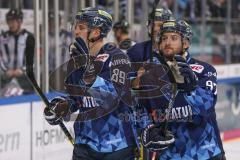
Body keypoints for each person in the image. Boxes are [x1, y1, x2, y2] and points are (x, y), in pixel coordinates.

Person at [43, 7, 168, 160]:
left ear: (96, 32)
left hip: (116, 146)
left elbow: (115, 98)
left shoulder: (117, 58)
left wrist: (91, 78)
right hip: (84, 145)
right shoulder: (76, 60)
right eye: (75, 27)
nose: (76, 32)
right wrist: (63, 106)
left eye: (81, 27)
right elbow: (76, 98)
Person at [154, 20, 226, 159]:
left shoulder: (204, 70)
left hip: (204, 153)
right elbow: (143, 111)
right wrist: (147, 128)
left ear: (185, 43)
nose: (167, 42)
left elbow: (206, 107)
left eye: (174, 38)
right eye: (164, 38)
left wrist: (190, 88)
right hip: (169, 155)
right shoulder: (152, 75)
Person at [0, 8, 34, 96]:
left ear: (20, 21)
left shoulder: (29, 37)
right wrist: (6, 70)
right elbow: (0, 57)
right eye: (10, 21)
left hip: (24, 78)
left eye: (14, 21)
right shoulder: (2, 37)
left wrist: (22, 69)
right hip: (6, 77)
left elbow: (32, 58)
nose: (11, 24)